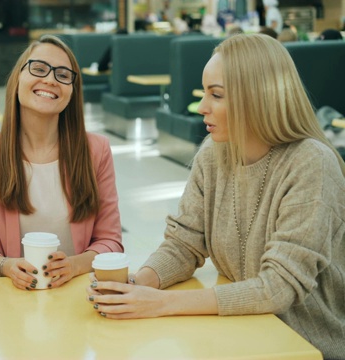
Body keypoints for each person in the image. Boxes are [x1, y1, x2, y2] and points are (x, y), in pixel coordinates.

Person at [87, 34, 345, 359]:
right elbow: (185, 243)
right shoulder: (215, 152)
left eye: (216, 95)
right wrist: (142, 283)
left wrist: (163, 304)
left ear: (259, 97)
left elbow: (280, 287)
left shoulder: (311, 163)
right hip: (244, 334)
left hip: (307, 347)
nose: (201, 107)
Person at [0, 35, 124, 290]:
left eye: (63, 75)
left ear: (72, 92)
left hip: (77, 297)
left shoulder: (97, 150)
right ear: (18, 78)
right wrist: (6, 266)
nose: (50, 80)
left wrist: (75, 265)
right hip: (13, 302)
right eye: (38, 69)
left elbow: (110, 242)